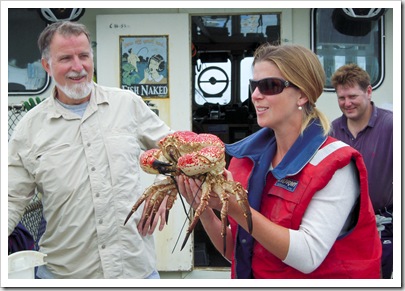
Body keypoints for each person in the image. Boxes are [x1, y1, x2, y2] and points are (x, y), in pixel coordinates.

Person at [177, 43, 382, 279]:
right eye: (254, 85)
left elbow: (308, 255)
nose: (255, 95)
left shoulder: (337, 164)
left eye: (270, 85)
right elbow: (236, 252)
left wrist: (235, 207)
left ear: (303, 94)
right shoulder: (244, 161)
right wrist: (203, 209)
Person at [8, 21, 172, 279]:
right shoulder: (30, 128)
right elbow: (9, 199)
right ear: (46, 66)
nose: (78, 66)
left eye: (84, 56)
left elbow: (174, 148)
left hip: (135, 272)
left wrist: (164, 185)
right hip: (64, 275)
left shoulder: (126, 104)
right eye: (65, 58)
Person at [330, 63, 393, 279]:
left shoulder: (392, 126)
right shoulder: (332, 131)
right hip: (342, 227)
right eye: (341, 98)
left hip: (384, 226)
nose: (347, 103)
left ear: (368, 91)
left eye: (352, 96)